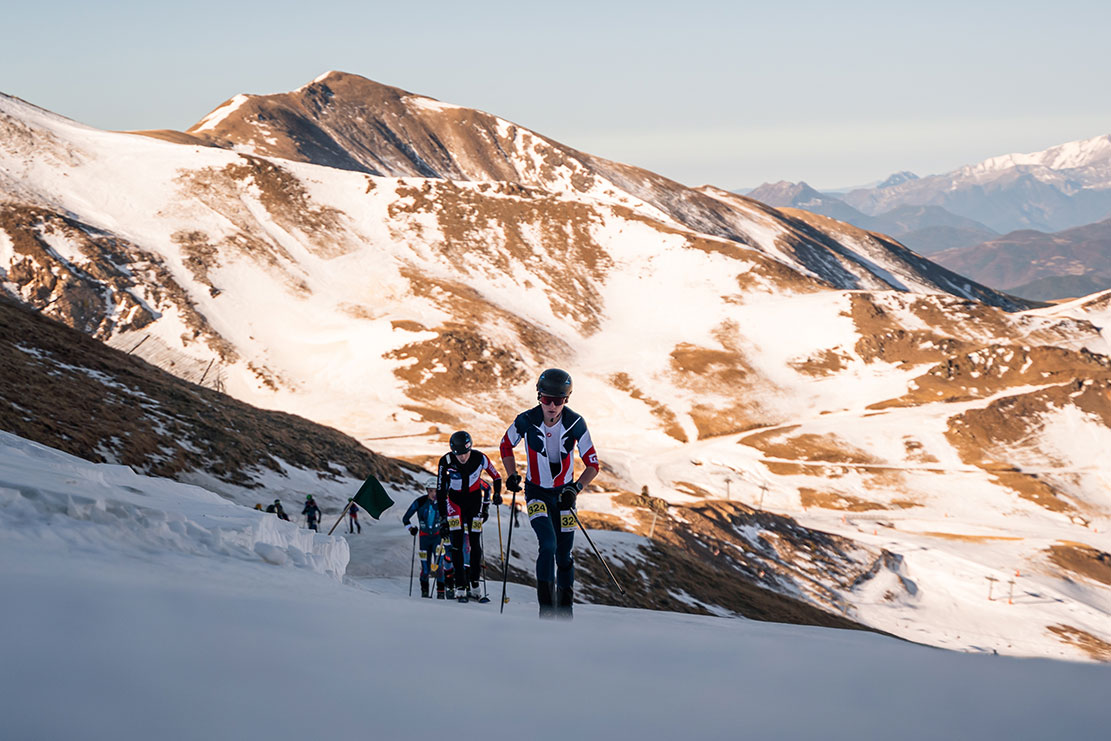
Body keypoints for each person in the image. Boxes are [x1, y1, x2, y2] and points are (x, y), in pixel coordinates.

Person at [500, 368, 599, 619]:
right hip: (536, 493)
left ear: (567, 400)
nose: (552, 406)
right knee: (548, 544)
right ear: (538, 397)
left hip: (565, 497)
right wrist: (511, 475)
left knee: (564, 555)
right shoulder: (525, 420)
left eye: (559, 400)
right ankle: (546, 613)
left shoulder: (576, 423)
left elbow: (593, 464)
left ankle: (565, 614)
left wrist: (575, 488)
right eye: (546, 399)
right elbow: (505, 445)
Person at [437, 430, 502, 602]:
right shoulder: (446, 461)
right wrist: (443, 517)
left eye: (466, 453)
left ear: (470, 449)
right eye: (459, 454)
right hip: (455, 503)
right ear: (453, 451)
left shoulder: (480, 458)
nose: (463, 457)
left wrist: (497, 494)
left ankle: (474, 584)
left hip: (474, 503)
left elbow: (496, 477)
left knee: (475, 544)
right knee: (457, 545)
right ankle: (460, 585)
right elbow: (440, 490)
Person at [403, 478, 452, 598]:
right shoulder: (419, 502)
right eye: (431, 491)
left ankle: (441, 593)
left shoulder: (444, 502)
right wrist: (411, 529)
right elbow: (405, 519)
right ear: (427, 491)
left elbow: (453, 517)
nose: (434, 494)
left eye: (436, 491)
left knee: (439, 567)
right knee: (426, 569)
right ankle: (424, 592)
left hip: (438, 539)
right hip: (424, 540)